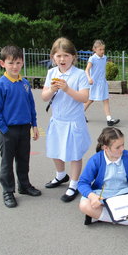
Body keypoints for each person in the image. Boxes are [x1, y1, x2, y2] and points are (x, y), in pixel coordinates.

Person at [0, 45, 41, 208]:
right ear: (2, 63)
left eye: (18, 63)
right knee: (7, 162)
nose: (15, 66)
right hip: (8, 130)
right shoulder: (0, 85)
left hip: (25, 128)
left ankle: (24, 185)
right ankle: (8, 191)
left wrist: (34, 125)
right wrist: (4, 129)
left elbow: (30, 105)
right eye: (11, 63)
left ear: (22, 63)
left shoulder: (24, 83)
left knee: (24, 159)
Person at [41, 37, 91, 202]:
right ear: (53, 57)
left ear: (73, 57)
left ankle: (74, 184)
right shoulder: (51, 73)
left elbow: (84, 97)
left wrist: (67, 89)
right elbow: (44, 96)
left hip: (73, 121)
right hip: (58, 120)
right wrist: (52, 90)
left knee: (74, 154)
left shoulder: (79, 75)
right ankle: (61, 175)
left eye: (66, 55)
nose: (62, 59)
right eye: (58, 56)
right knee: (55, 150)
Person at [78, 127, 128, 226]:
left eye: (123, 145)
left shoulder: (127, 156)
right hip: (102, 196)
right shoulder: (96, 159)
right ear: (106, 147)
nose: (122, 149)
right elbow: (83, 183)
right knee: (84, 205)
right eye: (117, 147)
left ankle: (99, 217)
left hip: (124, 194)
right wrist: (92, 196)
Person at [83, 40, 120, 126]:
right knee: (90, 100)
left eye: (103, 49)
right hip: (94, 83)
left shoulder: (104, 57)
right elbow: (87, 70)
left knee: (105, 99)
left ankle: (109, 119)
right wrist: (89, 78)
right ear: (95, 49)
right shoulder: (92, 58)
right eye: (100, 49)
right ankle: (80, 114)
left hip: (102, 82)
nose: (102, 51)